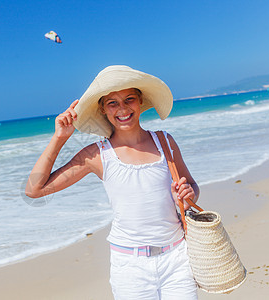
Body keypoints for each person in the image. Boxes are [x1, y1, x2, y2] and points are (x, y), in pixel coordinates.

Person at [25, 65, 199, 299]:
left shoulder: (165, 141)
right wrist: (59, 138)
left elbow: (193, 188)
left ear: (140, 101)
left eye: (129, 99)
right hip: (130, 266)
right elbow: (35, 189)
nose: (123, 109)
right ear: (103, 110)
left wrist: (189, 195)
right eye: (113, 103)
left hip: (178, 257)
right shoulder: (96, 156)